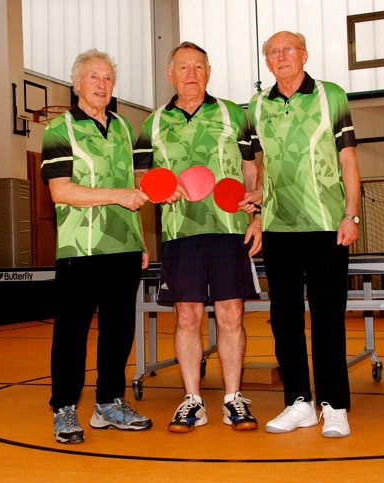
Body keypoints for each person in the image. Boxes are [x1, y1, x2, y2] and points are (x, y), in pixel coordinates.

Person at [133, 41, 263, 433]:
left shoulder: (233, 114)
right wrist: (158, 186)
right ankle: (192, 400)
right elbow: (140, 175)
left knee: (231, 312)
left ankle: (233, 398)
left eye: (199, 66)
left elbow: (251, 169)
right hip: (179, 232)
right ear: (170, 74)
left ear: (209, 72)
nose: (192, 73)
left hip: (229, 229)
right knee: (186, 315)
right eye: (183, 67)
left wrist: (256, 216)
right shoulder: (152, 123)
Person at [247, 31, 361, 438]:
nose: (281, 57)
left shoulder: (332, 95)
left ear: (304, 55)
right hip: (279, 227)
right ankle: (299, 403)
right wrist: (258, 210)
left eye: (288, 50)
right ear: (267, 62)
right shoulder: (257, 105)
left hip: (327, 224)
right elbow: (259, 164)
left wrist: (351, 214)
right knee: (284, 319)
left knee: (328, 317)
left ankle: (334, 405)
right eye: (273, 52)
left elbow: (349, 160)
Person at [41, 48, 153, 444]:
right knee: (72, 332)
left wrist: (140, 240)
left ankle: (108, 403)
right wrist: (118, 196)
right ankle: (64, 407)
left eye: (107, 77)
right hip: (81, 249)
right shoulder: (60, 129)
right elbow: (61, 191)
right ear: (76, 84)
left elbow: (134, 188)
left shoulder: (123, 127)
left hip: (124, 247)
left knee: (118, 331)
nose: (102, 84)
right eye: (94, 77)